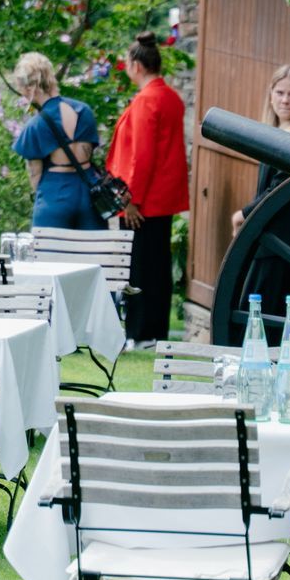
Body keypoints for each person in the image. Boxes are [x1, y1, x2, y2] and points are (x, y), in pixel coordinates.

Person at [108, 32, 189, 346]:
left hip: (144, 201)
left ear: (136, 65)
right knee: (157, 267)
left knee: (139, 267)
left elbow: (141, 156)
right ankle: (155, 331)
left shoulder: (146, 100)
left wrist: (131, 200)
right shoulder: (170, 97)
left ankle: (140, 332)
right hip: (163, 198)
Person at [230, 65, 290, 320]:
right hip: (268, 237)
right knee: (258, 309)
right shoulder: (274, 134)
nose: (285, 100)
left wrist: (243, 214)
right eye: (280, 92)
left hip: (285, 241)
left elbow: (279, 186)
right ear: (270, 94)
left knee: (265, 313)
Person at [12, 53, 106, 229]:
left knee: (50, 256)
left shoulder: (35, 125)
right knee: (92, 254)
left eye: (22, 89)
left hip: (54, 196)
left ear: (31, 88)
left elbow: (35, 174)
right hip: (89, 195)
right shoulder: (84, 111)